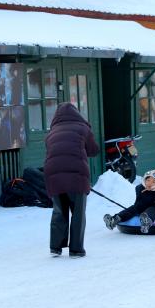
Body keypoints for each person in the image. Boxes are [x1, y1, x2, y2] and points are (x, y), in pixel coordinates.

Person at [44, 103, 99, 258]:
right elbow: (94, 150)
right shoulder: (83, 129)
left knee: (59, 211)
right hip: (77, 175)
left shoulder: (51, 133)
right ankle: (76, 250)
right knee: (78, 213)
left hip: (53, 174)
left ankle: (55, 247)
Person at [103, 169, 155, 234]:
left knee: (153, 208)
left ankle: (147, 222)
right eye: (148, 180)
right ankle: (115, 219)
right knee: (134, 208)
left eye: (154, 182)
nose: (149, 183)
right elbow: (138, 203)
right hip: (146, 207)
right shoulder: (140, 189)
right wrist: (136, 209)